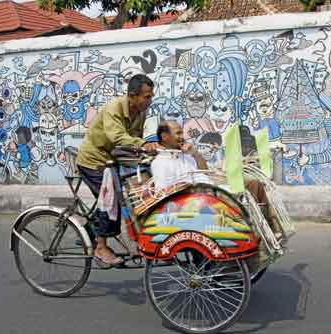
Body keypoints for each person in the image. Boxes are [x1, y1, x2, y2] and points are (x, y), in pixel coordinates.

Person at [76, 74, 159, 265]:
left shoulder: (140, 111)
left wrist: (147, 153)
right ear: (132, 95)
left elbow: (133, 141)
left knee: (135, 192)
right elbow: (118, 137)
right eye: (147, 96)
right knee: (110, 200)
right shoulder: (114, 108)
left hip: (112, 160)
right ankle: (100, 247)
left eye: (151, 96)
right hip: (93, 161)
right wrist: (144, 144)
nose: (150, 100)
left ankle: (88, 232)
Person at [151, 120, 282, 240]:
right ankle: (253, 230)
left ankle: (271, 227)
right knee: (242, 197)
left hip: (209, 185)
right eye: (178, 133)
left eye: (181, 133)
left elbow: (203, 169)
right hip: (195, 197)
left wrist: (195, 154)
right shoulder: (160, 163)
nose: (182, 137)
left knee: (253, 183)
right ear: (164, 136)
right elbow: (163, 192)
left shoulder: (184, 154)